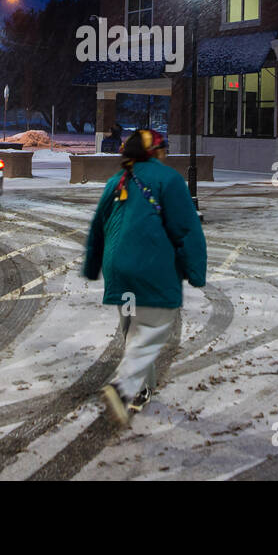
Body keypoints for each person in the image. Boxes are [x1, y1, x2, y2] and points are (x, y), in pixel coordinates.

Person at [83, 128, 206, 426]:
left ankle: (141, 389)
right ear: (157, 153)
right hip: (151, 268)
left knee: (133, 330)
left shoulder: (116, 181)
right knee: (153, 330)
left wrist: (92, 266)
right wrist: (196, 271)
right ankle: (123, 388)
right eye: (163, 150)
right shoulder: (169, 180)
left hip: (119, 272)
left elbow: (97, 228)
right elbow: (187, 230)